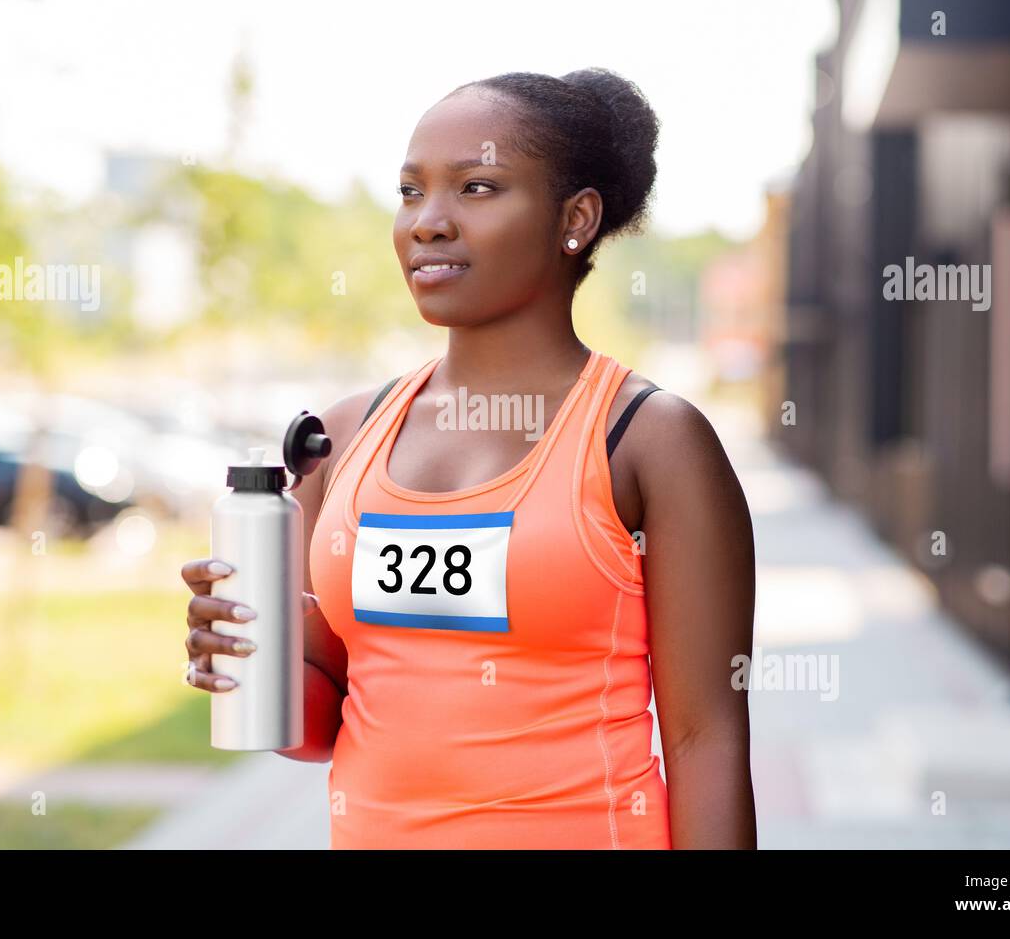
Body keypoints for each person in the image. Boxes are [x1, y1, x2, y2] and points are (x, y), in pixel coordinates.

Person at [182, 68, 757, 849]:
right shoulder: (343, 437)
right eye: (411, 191)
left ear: (576, 219)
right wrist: (247, 655)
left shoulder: (652, 441)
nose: (428, 222)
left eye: (477, 188)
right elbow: (327, 724)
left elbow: (706, 742)